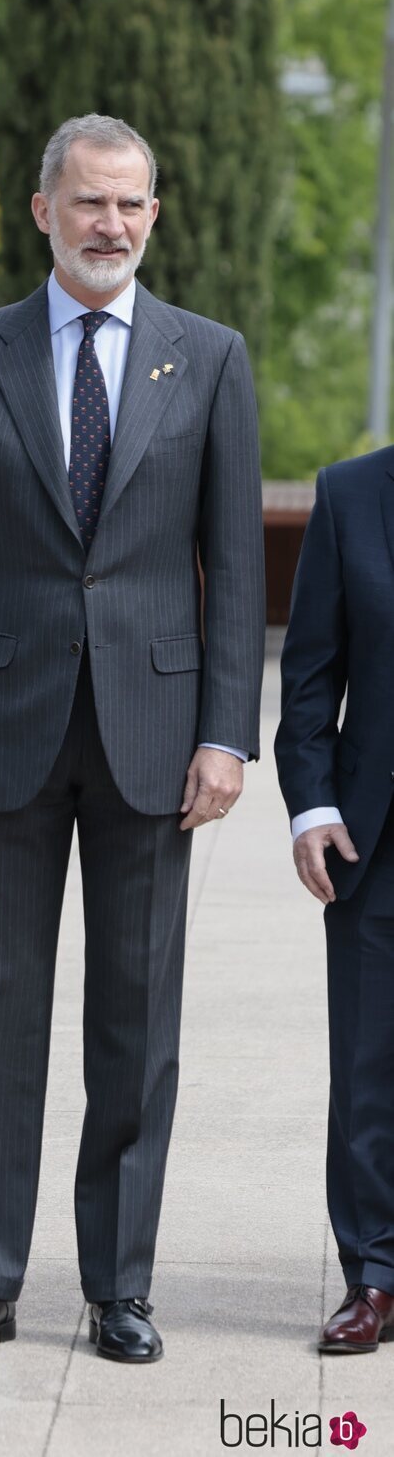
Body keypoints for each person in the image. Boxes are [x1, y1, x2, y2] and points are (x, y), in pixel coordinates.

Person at [0, 114, 265, 1363]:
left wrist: (226, 734)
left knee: (135, 1020)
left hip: (155, 739)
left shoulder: (207, 359)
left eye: (132, 205)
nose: (111, 224)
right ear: (42, 209)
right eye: (89, 202)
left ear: (153, 218)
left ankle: (119, 1287)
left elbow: (228, 566)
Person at [275, 449, 394, 1353]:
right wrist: (311, 804)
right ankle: (376, 1278)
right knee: (366, 1068)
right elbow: (311, 670)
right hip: (373, 832)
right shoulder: (350, 494)